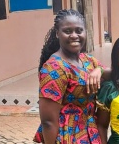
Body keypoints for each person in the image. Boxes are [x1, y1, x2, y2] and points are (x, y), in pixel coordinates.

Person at [33, 9, 104, 144]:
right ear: (57, 33)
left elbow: (112, 72)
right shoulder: (54, 68)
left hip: (91, 132)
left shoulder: (87, 60)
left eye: (79, 30)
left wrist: (99, 70)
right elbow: (48, 122)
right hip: (67, 136)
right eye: (67, 31)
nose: (74, 35)